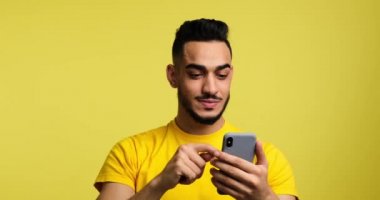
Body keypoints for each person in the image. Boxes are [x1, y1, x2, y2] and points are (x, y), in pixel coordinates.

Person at [94, 18, 298, 200]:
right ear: (173, 76)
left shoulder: (267, 160)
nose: (211, 88)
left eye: (221, 75)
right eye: (195, 74)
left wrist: (263, 197)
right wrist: (160, 183)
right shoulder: (130, 152)